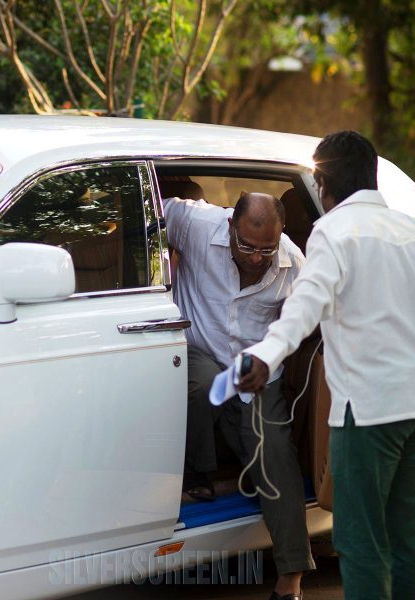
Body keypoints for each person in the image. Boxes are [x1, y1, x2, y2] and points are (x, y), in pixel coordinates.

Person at [238, 131, 415, 600]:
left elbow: (306, 303)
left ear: (323, 185)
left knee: (361, 541)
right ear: (371, 175)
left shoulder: (333, 232)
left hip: (367, 413)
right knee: (405, 538)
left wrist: (266, 353)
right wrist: (410, 347)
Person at [164, 191, 314, 600]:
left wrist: (273, 357)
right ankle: (200, 471)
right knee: (199, 385)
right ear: (230, 225)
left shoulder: (293, 264)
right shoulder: (195, 225)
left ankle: (291, 580)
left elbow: (304, 321)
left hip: (257, 369)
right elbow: (152, 209)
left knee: (276, 457)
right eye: (247, 245)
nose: (255, 257)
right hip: (200, 349)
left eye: (266, 249)